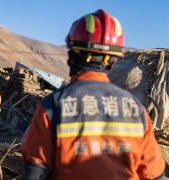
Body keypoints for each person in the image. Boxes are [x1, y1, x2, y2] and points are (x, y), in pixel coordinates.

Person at [22, 9, 165, 180]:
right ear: (114, 59)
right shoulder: (137, 110)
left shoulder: (52, 107)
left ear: (72, 52)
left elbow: (35, 173)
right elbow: (155, 174)